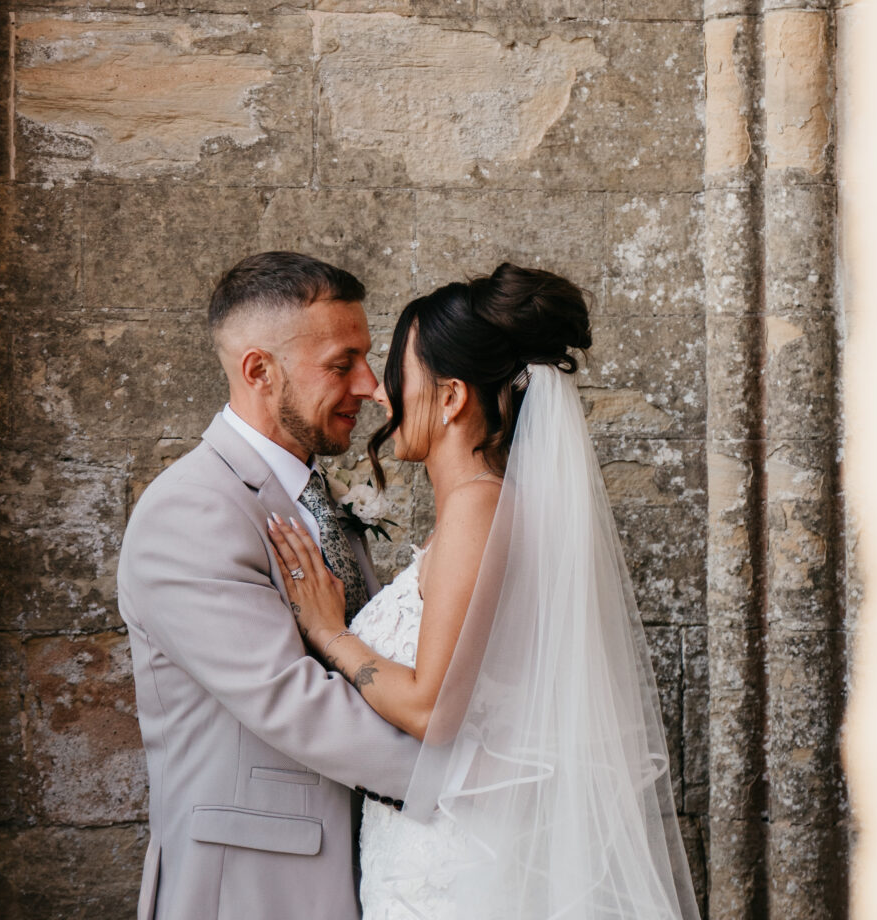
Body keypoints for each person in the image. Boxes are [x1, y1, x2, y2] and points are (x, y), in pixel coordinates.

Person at [269, 262, 701, 920]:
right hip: (453, 841)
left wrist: (330, 632)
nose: (383, 397)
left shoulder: (479, 506)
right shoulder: (492, 509)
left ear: (450, 398)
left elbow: (433, 709)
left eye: (397, 375)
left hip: (450, 868)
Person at [117, 252, 420, 920]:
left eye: (366, 360)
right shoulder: (191, 512)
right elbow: (295, 701)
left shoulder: (322, 497)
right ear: (259, 370)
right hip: (251, 886)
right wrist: (472, 777)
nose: (371, 386)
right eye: (343, 364)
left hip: (362, 866)